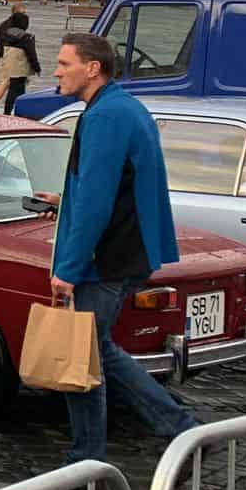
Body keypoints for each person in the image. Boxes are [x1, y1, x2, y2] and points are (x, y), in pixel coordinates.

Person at [42, 32, 197, 464]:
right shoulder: (119, 107)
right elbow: (106, 188)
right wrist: (65, 199)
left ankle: (100, 453)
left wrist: (68, 269)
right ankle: (165, 431)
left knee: (84, 355)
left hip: (105, 260)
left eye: (64, 63)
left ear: (93, 68)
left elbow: (97, 200)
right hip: (124, 253)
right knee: (96, 351)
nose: (56, 71)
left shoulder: (107, 115)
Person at [0, 12, 38, 113]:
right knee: (18, 90)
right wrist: (36, 67)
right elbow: (31, 53)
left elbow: (0, 45)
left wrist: (2, 55)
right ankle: (11, 112)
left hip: (8, 62)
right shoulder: (26, 37)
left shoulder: (6, 34)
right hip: (20, 67)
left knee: (11, 87)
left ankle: (4, 108)